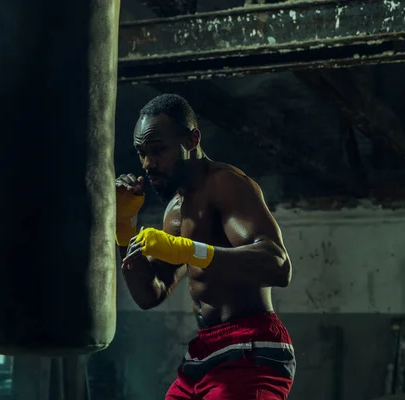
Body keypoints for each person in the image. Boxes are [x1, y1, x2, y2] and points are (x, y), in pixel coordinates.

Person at [115, 94, 296, 399]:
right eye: (142, 153)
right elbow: (150, 293)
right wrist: (124, 228)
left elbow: (279, 266)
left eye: (158, 150)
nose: (148, 164)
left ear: (192, 139)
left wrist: (189, 251)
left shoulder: (226, 184)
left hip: (251, 349)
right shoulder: (174, 209)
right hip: (204, 354)